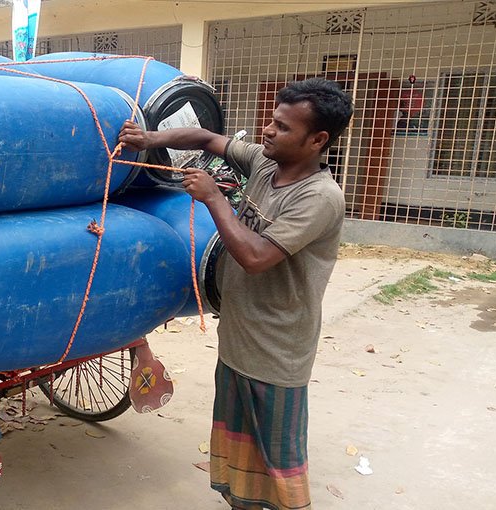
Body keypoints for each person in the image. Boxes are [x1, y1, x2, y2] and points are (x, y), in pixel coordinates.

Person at [119, 77, 354, 510]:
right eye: (272, 120)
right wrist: (149, 139)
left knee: (277, 457)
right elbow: (205, 137)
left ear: (318, 140)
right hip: (239, 335)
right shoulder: (266, 163)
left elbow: (256, 257)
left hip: (277, 348)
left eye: (283, 127)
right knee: (237, 444)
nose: (268, 130)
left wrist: (215, 199)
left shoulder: (319, 198)